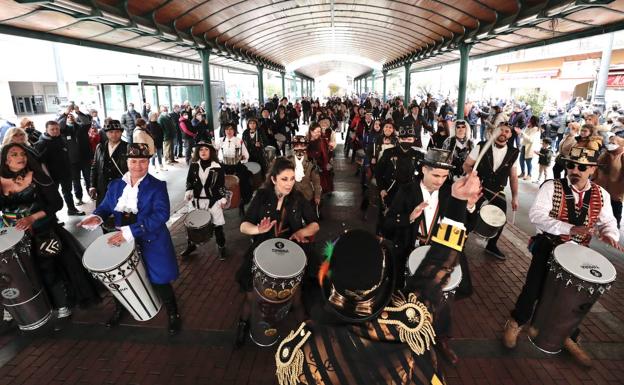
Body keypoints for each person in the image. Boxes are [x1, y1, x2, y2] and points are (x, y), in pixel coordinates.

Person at [275, 172, 482, 385]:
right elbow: (437, 265)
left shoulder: (299, 352)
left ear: (329, 281)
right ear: (382, 282)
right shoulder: (407, 322)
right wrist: (458, 201)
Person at [502, 147, 620, 367]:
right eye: (571, 165)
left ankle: (567, 334)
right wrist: (569, 228)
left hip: (577, 254)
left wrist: (610, 234)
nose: (575, 170)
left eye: (582, 167)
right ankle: (516, 322)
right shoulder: (551, 187)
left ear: (593, 170)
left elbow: (609, 221)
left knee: (571, 297)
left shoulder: (600, 194)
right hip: (547, 247)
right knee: (533, 288)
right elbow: (537, 216)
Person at [78, 143, 181, 334]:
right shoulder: (116, 185)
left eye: (143, 161)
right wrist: (96, 216)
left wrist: (130, 232)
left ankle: (173, 312)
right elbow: (106, 206)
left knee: (159, 279)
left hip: (152, 239)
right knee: (120, 277)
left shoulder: (157, 186)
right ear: (127, 161)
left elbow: (161, 215)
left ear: (148, 162)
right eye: (133, 161)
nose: (138, 166)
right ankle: (120, 309)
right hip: (123, 241)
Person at [0, 144, 100, 326]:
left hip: (43, 231)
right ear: (5, 160)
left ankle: (62, 307)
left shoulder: (37, 177)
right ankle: (17, 310)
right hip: (13, 237)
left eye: (22, 153)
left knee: (49, 270)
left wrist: (32, 218)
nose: (20, 157)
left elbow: (56, 203)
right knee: (16, 274)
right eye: (14, 154)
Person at [236, 157, 320, 347]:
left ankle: (303, 332)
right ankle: (243, 326)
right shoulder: (262, 196)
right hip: (262, 253)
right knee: (252, 296)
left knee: (296, 297)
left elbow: (314, 224)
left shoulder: (298, 198)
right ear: (274, 179)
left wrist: (301, 231)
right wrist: (258, 230)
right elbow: (243, 225)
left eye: (292, 178)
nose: (289, 183)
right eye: (284, 179)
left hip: (290, 254)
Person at [463, 121, 519, 260]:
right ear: (495, 131)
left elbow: (513, 176)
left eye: (507, 131)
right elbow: (466, 165)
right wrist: (473, 178)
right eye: (501, 130)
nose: (503, 133)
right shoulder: (481, 146)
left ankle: (491, 245)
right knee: (468, 215)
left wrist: (515, 197)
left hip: (498, 191)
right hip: (479, 187)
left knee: (501, 219)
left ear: (510, 134)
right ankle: (461, 241)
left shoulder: (514, 153)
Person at [375, 124, 424, 236]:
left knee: (406, 222)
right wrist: (382, 189)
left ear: (414, 140)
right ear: (399, 139)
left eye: (409, 139)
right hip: (390, 192)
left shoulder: (419, 156)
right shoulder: (388, 153)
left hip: (410, 195)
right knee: (387, 221)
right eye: (403, 138)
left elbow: (422, 176)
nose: (406, 141)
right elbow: (378, 172)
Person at [181, 142, 227, 260]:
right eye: (201, 149)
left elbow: (221, 185)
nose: (203, 151)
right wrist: (188, 191)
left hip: (213, 201)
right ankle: (191, 246)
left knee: (217, 227)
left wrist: (223, 198)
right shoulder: (194, 165)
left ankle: (221, 247)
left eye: (206, 149)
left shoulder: (218, 166)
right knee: (192, 226)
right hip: (196, 201)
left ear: (211, 152)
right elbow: (189, 181)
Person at [35, 121, 85, 216]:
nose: (55, 131)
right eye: (52, 129)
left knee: (68, 192)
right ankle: (52, 218)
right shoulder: (42, 143)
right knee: (52, 197)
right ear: (46, 130)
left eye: (57, 129)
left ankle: (72, 209)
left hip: (65, 172)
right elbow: (39, 162)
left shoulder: (61, 138)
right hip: (51, 176)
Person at [88, 119, 128, 214]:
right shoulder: (100, 147)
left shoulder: (128, 147)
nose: (114, 134)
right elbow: (94, 167)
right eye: (111, 132)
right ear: (106, 133)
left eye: (117, 132)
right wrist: (92, 185)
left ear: (121, 132)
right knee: (102, 215)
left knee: (121, 216)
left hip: (121, 188)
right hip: (102, 187)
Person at [215, 122, 253, 216]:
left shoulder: (239, 141)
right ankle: (217, 204)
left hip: (236, 166)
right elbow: (214, 152)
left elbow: (246, 155)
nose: (229, 131)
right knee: (214, 181)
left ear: (234, 131)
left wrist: (243, 157)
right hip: (223, 166)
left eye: (231, 129)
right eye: (227, 129)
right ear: (224, 130)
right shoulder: (220, 141)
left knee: (245, 181)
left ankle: (242, 203)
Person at [593, 135, 624, 229]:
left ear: (621, 145)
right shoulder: (605, 154)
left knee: (615, 207)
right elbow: (597, 168)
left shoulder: (622, 155)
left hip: (616, 188)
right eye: (610, 142)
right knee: (600, 205)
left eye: (613, 143)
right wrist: (593, 179)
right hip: (601, 185)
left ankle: (615, 226)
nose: (610, 145)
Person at [286, 135, 322, 207]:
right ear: (293, 147)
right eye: (296, 146)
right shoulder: (287, 161)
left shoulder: (311, 162)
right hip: (291, 196)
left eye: (302, 146)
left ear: (306, 147)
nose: (299, 148)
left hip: (307, 195)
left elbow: (316, 181)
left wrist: (317, 196)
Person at [306, 122, 334, 194]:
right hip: (313, 170)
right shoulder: (307, 144)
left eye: (320, 131)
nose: (319, 133)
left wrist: (330, 150)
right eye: (317, 131)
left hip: (323, 168)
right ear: (311, 132)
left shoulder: (322, 140)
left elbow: (327, 153)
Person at [516, 116, 541, 181]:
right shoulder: (528, 126)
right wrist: (520, 133)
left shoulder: (536, 129)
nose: (529, 120)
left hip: (530, 147)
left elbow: (530, 139)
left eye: (530, 119)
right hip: (524, 145)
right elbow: (523, 136)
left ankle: (529, 175)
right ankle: (522, 173)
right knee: (521, 160)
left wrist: (522, 133)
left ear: (533, 120)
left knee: (528, 161)